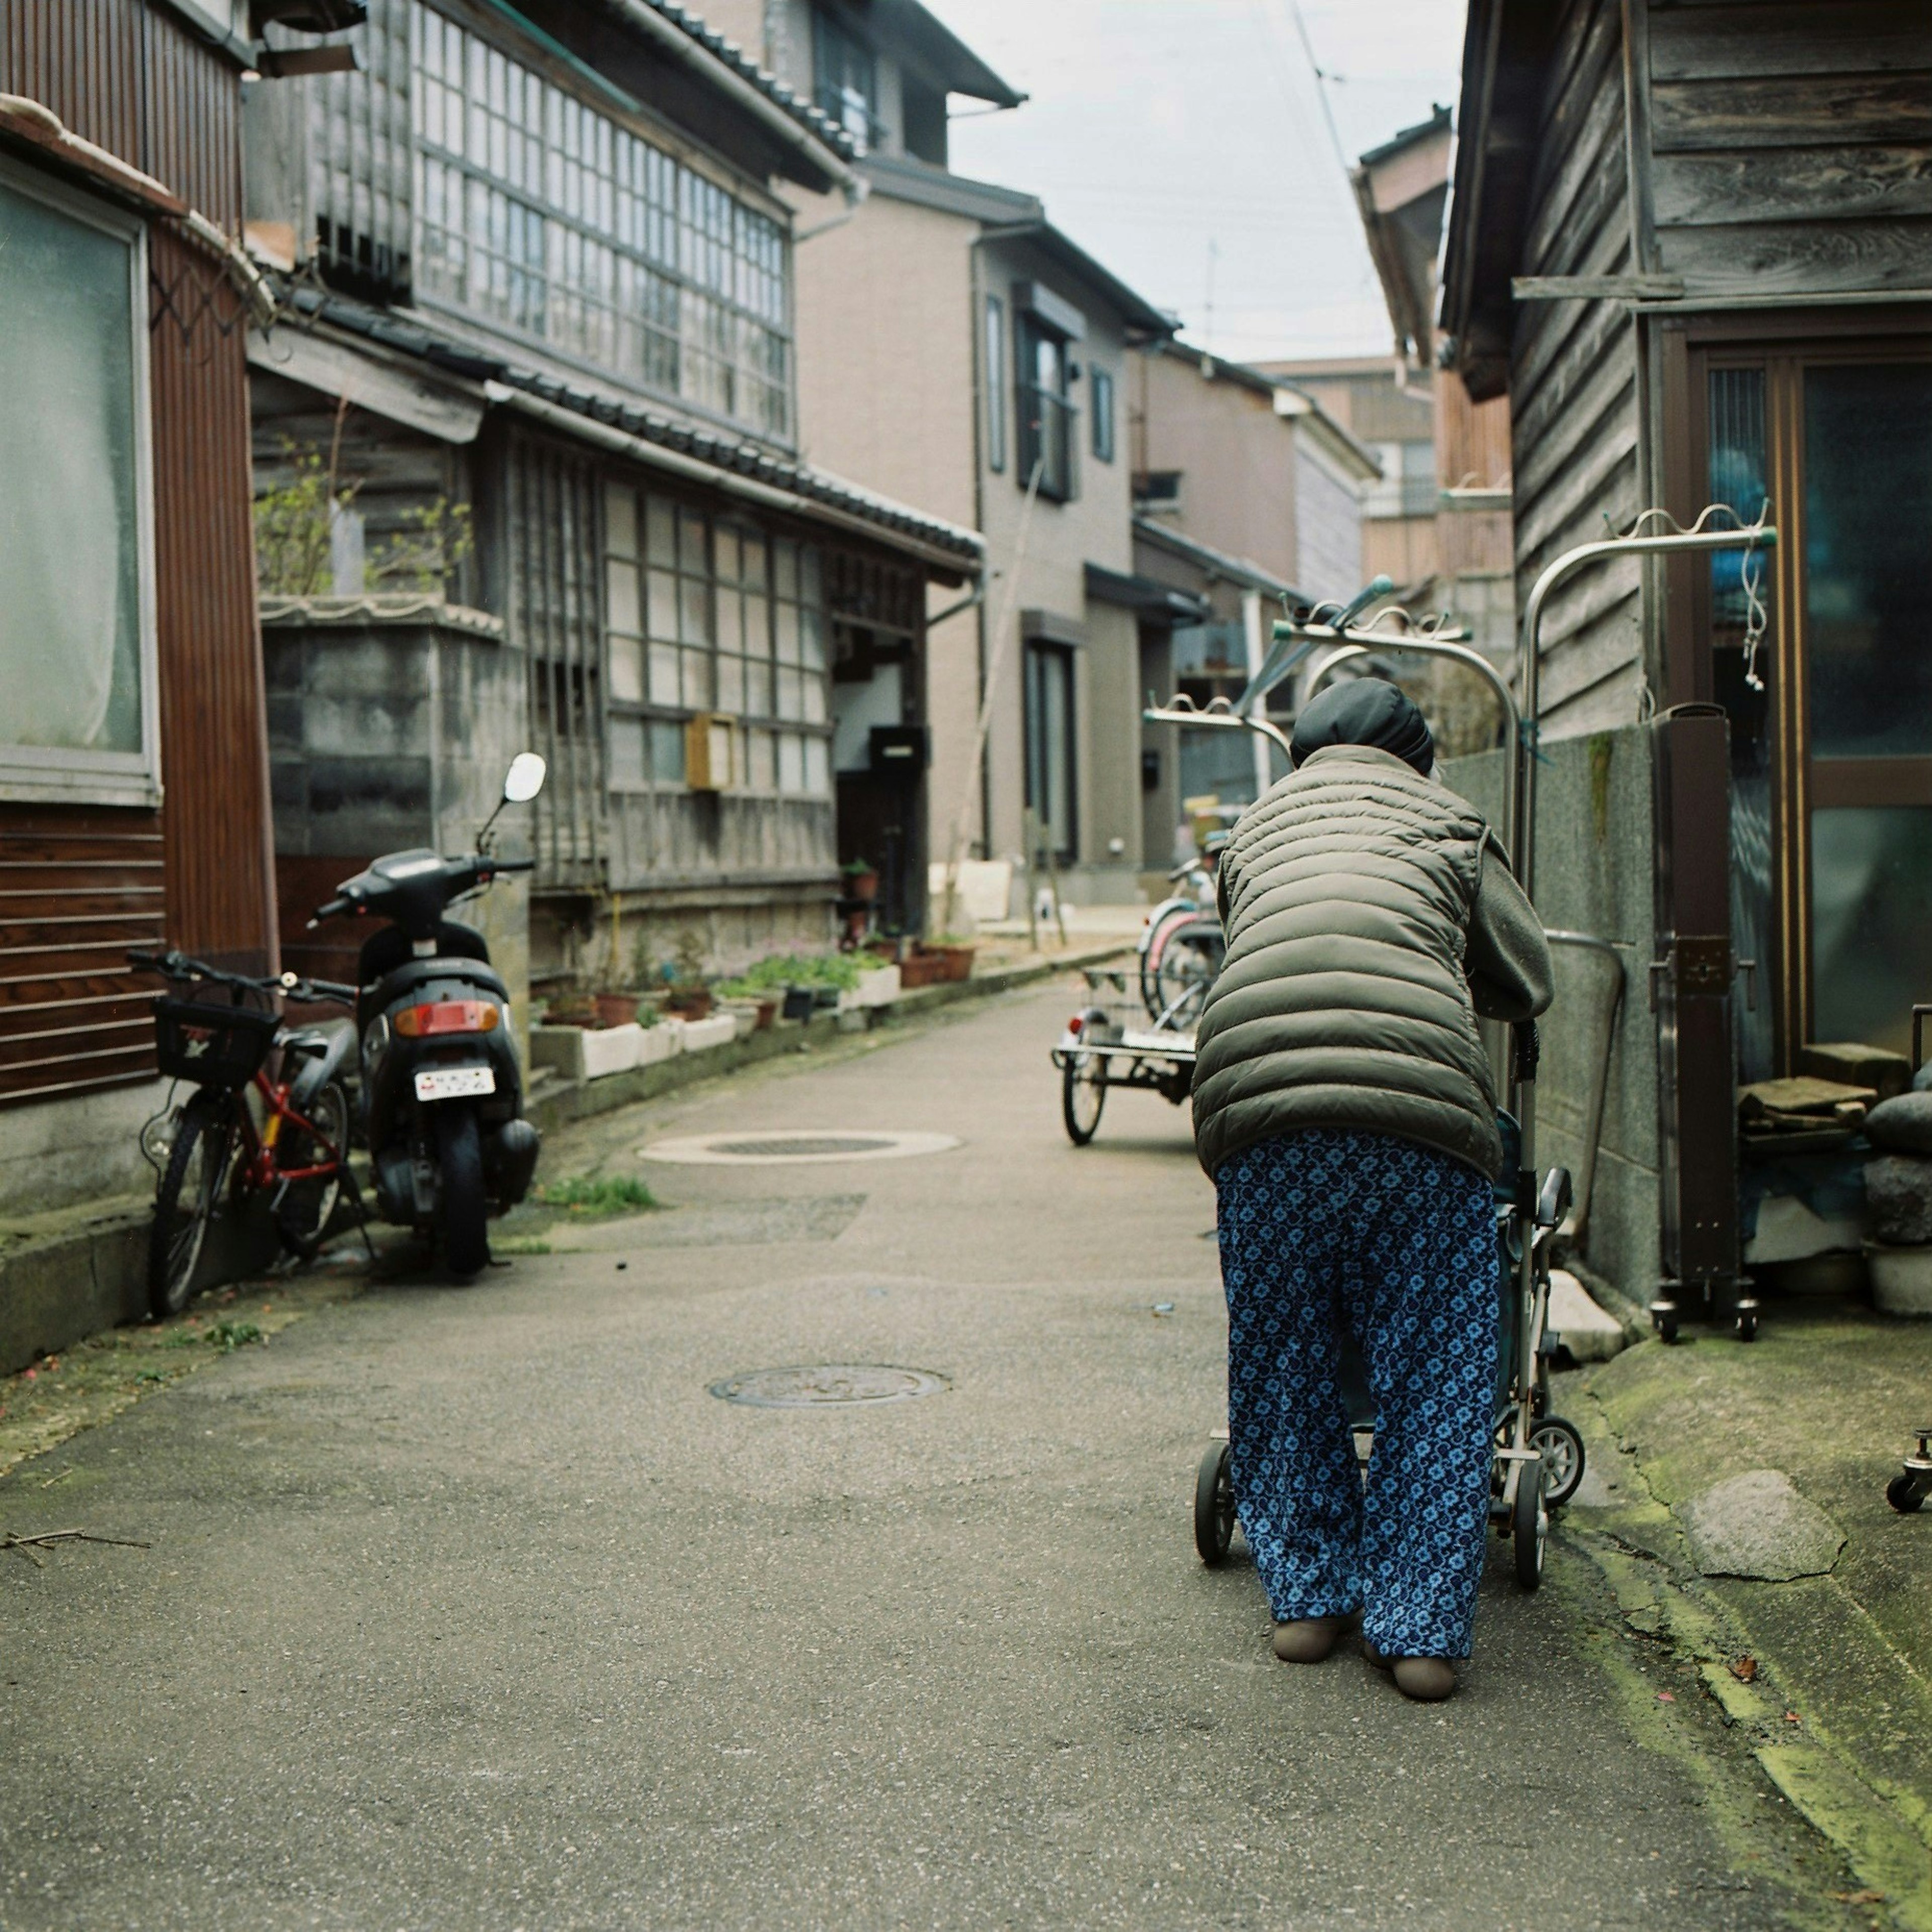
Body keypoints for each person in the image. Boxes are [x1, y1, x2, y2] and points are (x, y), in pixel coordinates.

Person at [1190, 678, 1552, 1703]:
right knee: (1437, 1368)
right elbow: (1526, 980)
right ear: (1420, 758)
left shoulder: (1253, 830)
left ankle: (1307, 1601)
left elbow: (1261, 954)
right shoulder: (1450, 820)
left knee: (1281, 1353)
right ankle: (1419, 1631)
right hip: (1417, 1118)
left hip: (1259, 1115)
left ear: (1300, 756)